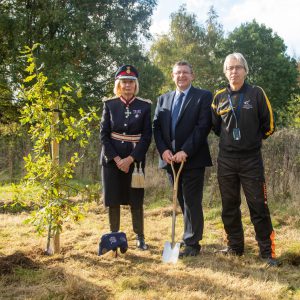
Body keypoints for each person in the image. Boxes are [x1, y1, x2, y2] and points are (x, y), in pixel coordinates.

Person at [211, 52, 278, 266]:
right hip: (227, 160)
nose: (234, 71)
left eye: (238, 67)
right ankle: (235, 246)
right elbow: (215, 128)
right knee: (229, 205)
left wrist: (251, 140)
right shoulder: (219, 97)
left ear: (245, 70)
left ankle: (267, 252)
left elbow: (269, 127)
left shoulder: (257, 93)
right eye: (230, 68)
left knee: (258, 205)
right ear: (225, 72)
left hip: (251, 160)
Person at [153, 61, 212, 257]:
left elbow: (202, 127)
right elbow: (157, 129)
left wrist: (185, 150)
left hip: (192, 158)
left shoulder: (203, 96)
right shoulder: (163, 99)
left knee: (192, 201)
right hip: (170, 160)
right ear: (172, 76)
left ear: (192, 75)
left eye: (185, 72)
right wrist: (164, 151)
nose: (181, 76)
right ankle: (189, 237)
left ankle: (192, 243)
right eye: (177, 73)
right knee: (180, 199)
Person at [100, 64, 152, 250]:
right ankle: (114, 235)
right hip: (112, 161)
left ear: (135, 84)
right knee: (113, 199)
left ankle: (140, 236)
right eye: (124, 82)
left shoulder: (145, 106)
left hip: (135, 161)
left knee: (135, 199)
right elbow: (103, 135)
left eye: (131, 82)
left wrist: (130, 159)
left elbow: (147, 137)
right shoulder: (110, 104)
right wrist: (117, 159)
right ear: (118, 84)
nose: (128, 85)